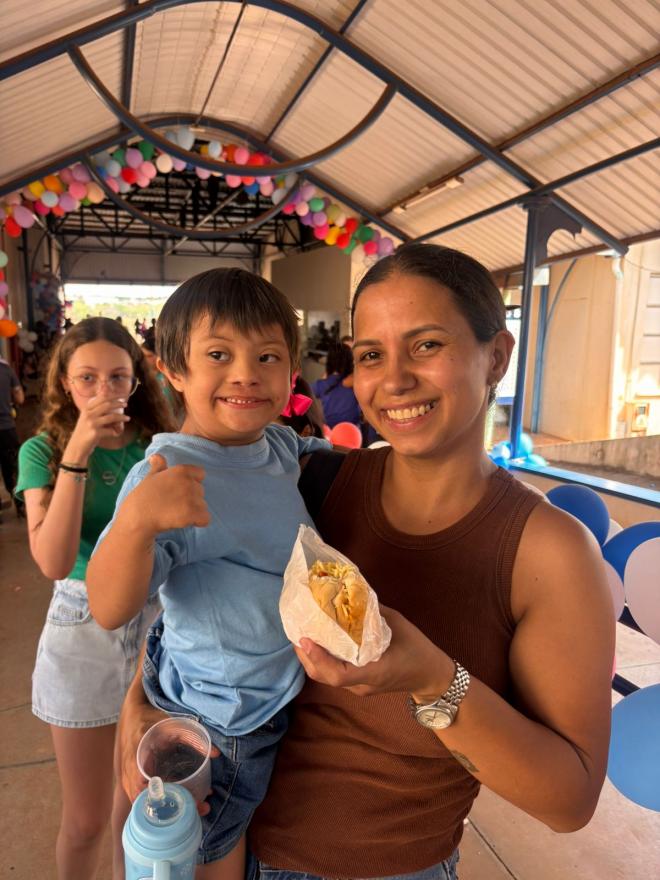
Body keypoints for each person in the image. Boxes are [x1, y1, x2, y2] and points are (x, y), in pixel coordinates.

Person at [118, 244, 614, 880]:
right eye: (372, 355)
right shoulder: (311, 480)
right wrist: (139, 708)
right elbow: (194, 596)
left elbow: (569, 800)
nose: (395, 380)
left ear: (497, 356)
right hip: (228, 840)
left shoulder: (548, 550)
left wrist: (432, 679)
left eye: (427, 345)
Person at [86, 269, 329, 878]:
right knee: (207, 847)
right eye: (218, 355)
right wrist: (136, 525)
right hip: (224, 717)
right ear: (172, 368)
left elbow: (313, 456)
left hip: (244, 684)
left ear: (291, 371)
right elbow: (109, 608)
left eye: (267, 356)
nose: (246, 373)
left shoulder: (275, 445)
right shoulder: (168, 475)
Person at [15, 317, 175, 879]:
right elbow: (53, 561)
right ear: (64, 382)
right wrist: (79, 449)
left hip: (155, 623)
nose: (103, 390)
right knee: (85, 820)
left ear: (137, 382)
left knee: (133, 810)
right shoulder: (41, 452)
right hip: (82, 628)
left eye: (117, 377)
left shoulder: (158, 447)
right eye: (87, 378)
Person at [312, 342, 361, 429]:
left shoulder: (321, 384)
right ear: (350, 361)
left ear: (329, 361)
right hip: (353, 430)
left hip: (330, 432)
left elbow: (303, 392)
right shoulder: (355, 381)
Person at [0, 354, 25, 521]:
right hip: (6, 429)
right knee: (12, 469)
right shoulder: (7, 369)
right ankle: (19, 506)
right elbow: (20, 398)